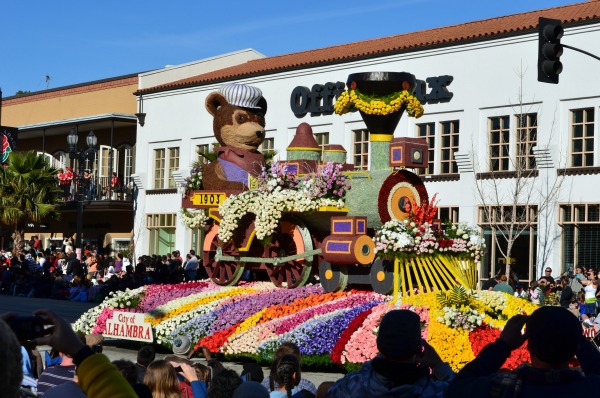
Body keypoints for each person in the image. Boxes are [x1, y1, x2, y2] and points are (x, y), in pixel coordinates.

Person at [447, 306, 600, 397]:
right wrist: (574, 337)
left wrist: (503, 345)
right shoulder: (591, 389)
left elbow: (456, 388)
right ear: (576, 349)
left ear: (529, 347)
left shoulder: (503, 388)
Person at [326, 310, 454, 397]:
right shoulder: (433, 391)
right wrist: (438, 365)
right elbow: (462, 390)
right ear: (419, 347)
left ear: (379, 344)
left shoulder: (354, 385)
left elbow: (329, 392)